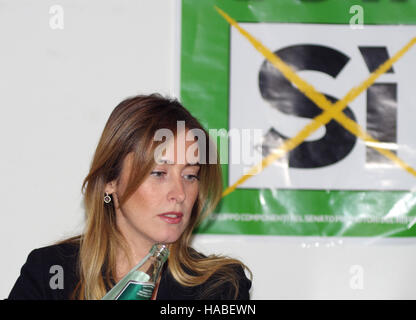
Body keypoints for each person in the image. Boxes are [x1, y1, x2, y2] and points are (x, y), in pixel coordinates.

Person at [8, 93, 252, 300]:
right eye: (159, 173)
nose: (179, 194)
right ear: (110, 181)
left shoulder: (221, 287)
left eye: (190, 175)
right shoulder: (51, 271)